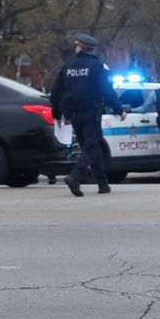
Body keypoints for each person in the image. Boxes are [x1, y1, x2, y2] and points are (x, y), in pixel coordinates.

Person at [48, 33, 125, 196]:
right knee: (91, 145)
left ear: (80, 47)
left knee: (91, 147)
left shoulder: (68, 65)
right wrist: (119, 110)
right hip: (91, 111)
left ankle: (103, 184)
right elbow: (106, 90)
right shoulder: (97, 66)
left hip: (73, 114)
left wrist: (56, 113)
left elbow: (56, 90)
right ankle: (75, 176)